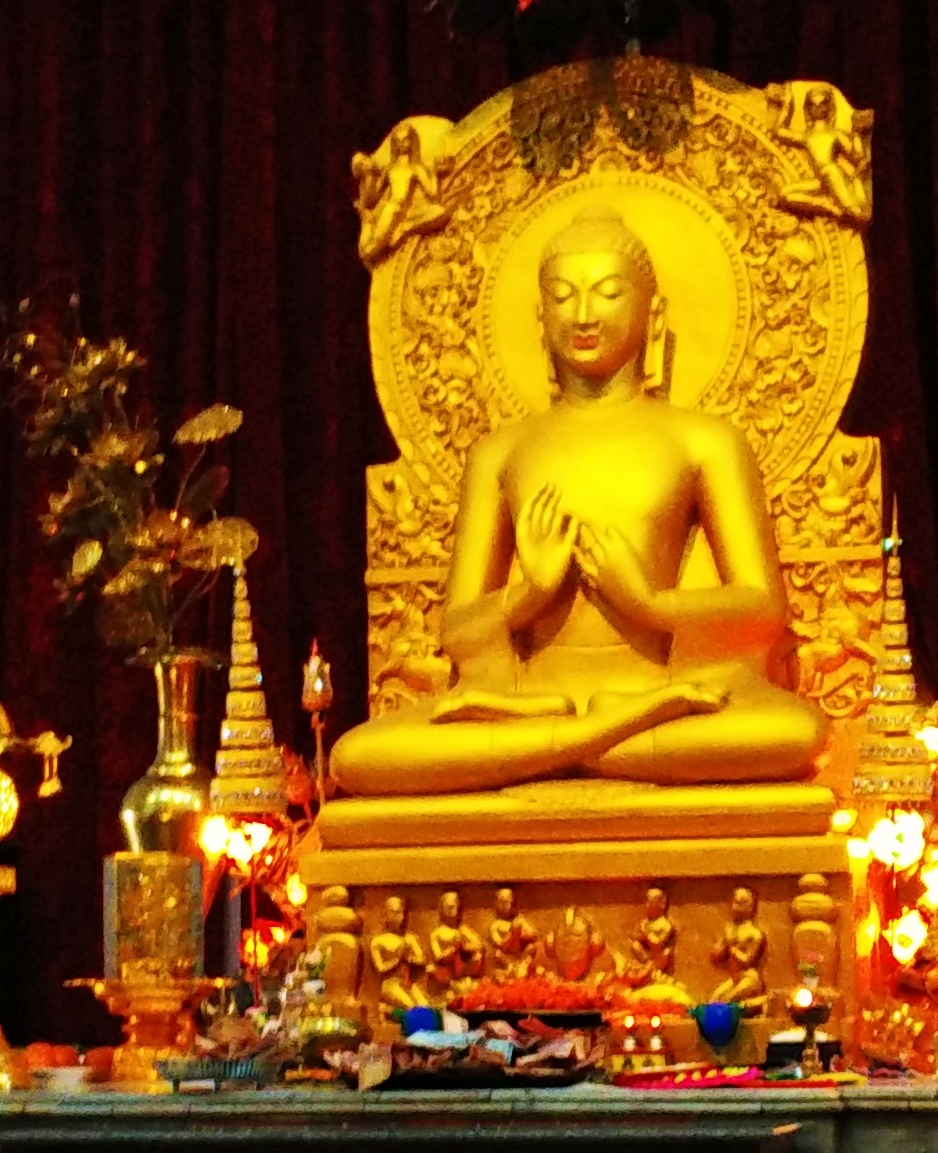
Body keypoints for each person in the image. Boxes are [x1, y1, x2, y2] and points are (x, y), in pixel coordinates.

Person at [328, 210, 824, 793]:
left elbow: (762, 607)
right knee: (357, 756)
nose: (584, 314)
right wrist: (528, 594)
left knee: (795, 733)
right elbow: (457, 630)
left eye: (608, 293)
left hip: (666, 692)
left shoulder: (705, 441)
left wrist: (653, 604)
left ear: (653, 314)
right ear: (541, 320)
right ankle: (603, 737)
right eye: (563, 297)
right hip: (528, 701)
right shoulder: (500, 452)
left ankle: (557, 748)